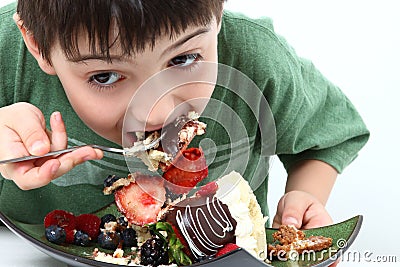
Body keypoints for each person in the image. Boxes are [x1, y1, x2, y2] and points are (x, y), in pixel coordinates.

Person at [0, 0, 368, 240]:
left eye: (182, 60)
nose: (157, 111)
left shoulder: (259, 59)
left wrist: (303, 195)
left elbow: (331, 136)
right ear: (36, 44)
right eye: (105, 77)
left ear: (218, 12)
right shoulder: (6, 56)